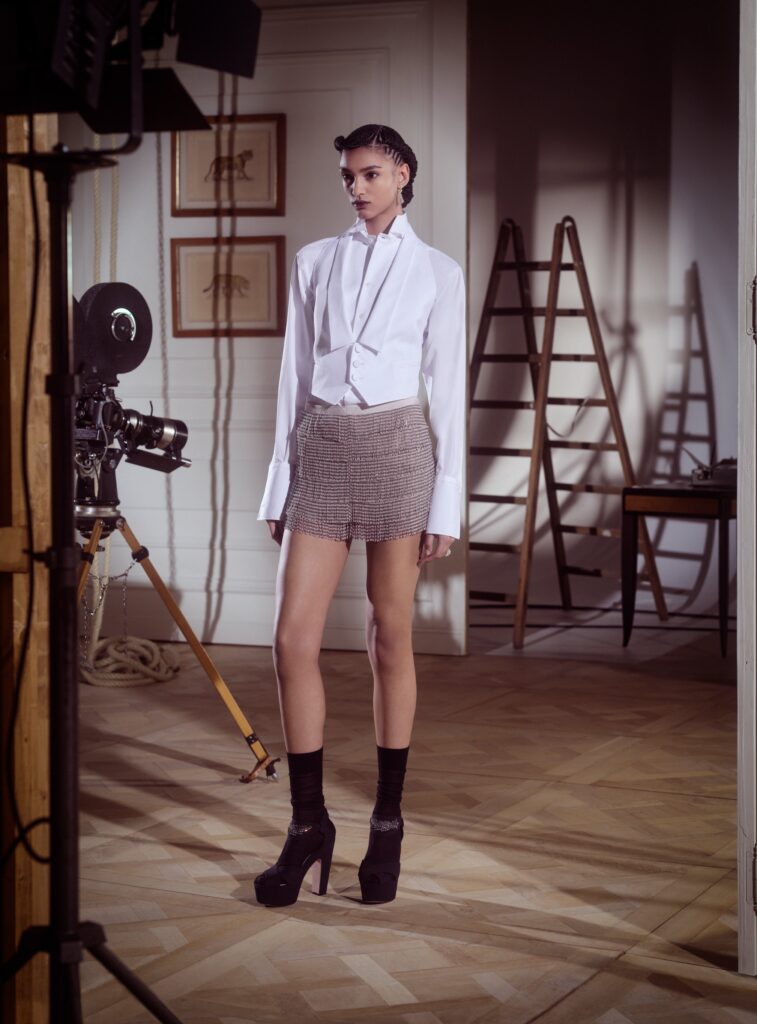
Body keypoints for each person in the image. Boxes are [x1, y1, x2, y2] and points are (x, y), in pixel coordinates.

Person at [254, 123, 465, 907]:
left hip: (399, 450)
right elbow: (292, 375)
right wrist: (278, 485)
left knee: (389, 636)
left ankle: (386, 823)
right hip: (322, 448)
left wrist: (446, 501)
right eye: (348, 175)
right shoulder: (315, 260)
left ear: (402, 173)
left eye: (371, 174)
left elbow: (447, 388)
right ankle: (307, 824)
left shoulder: (438, 271)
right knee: (291, 640)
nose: (356, 188)